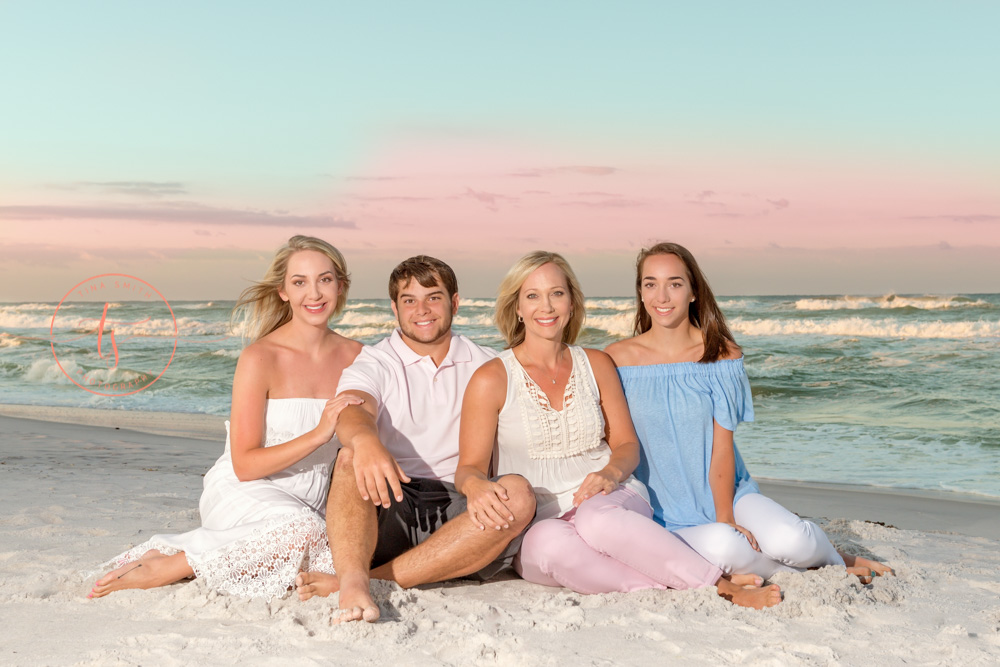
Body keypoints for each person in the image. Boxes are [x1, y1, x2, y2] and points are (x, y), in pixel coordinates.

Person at [456, 251, 782, 609]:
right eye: (532, 295)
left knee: (597, 522)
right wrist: (474, 486)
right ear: (516, 307)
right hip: (539, 518)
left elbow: (627, 444)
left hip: (611, 498)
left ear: (572, 302)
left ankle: (722, 587)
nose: (546, 306)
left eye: (557, 293)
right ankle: (684, 581)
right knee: (548, 547)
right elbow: (470, 467)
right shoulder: (492, 378)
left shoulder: (597, 364)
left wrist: (609, 474)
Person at [90, 236, 364, 600]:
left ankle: (192, 553)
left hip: (312, 503)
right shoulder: (260, 357)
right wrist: (318, 434)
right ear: (283, 291)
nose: (313, 293)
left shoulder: (360, 356)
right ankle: (176, 563)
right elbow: (246, 465)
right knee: (301, 533)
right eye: (299, 282)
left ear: (340, 285)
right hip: (244, 489)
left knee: (327, 557)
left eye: (324, 279)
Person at [606, 242, 893, 581]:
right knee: (729, 548)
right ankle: (809, 573)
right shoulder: (615, 359)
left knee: (793, 541)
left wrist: (725, 515)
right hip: (661, 510)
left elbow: (722, 447)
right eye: (650, 283)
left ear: (694, 292)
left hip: (729, 492)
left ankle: (836, 558)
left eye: (675, 283)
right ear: (640, 292)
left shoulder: (720, 355)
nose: (662, 296)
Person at [295, 256, 536, 622]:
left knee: (519, 495)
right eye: (409, 300)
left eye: (434, 297)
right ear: (395, 308)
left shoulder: (490, 364)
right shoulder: (375, 361)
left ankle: (361, 580)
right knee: (349, 456)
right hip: (392, 500)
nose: (421, 310)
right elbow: (352, 412)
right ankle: (356, 582)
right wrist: (367, 442)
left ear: (454, 303)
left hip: (463, 506)